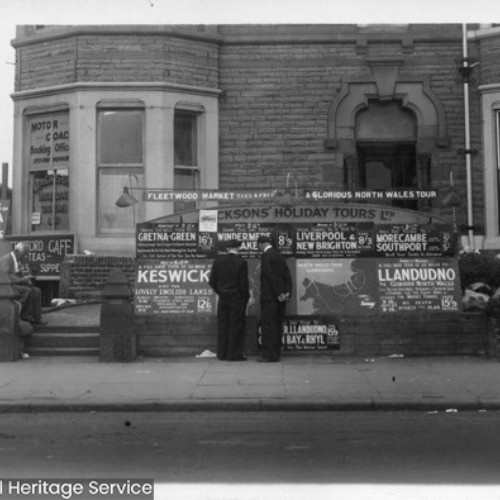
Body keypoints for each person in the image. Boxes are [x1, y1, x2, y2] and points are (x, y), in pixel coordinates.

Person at [209, 238, 250, 361]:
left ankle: (222, 354)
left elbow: (212, 281)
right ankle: (234, 355)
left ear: (227, 248)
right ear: (239, 247)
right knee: (235, 326)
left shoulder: (218, 261)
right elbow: (243, 284)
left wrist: (221, 292)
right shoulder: (242, 262)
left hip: (223, 297)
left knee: (223, 325)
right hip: (236, 298)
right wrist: (244, 298)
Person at [256, 234, 292, 362]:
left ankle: (269, 356)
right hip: (280, 299)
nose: (258, 248)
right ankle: (276, 354)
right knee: (277, 326)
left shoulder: (266, 256)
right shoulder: (279, 255)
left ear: (261, 244)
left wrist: (278, 293)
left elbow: (269, 276)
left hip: (270, 298)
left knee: (268, 327)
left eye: (258, 245)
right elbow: (287, 276)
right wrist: (287, 293)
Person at [0, 242, 46, 326]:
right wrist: (22, 280)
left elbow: (18, 275)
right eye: (24, 254)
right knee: (27, 291)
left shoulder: (17, 260)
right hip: (6, 286)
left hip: (15, 284)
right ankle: (25, 317)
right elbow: (6, 276)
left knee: (36, 290)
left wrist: (27, 279)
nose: (24, 257)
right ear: (18, 252)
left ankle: (37, 318)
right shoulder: (6, 259)